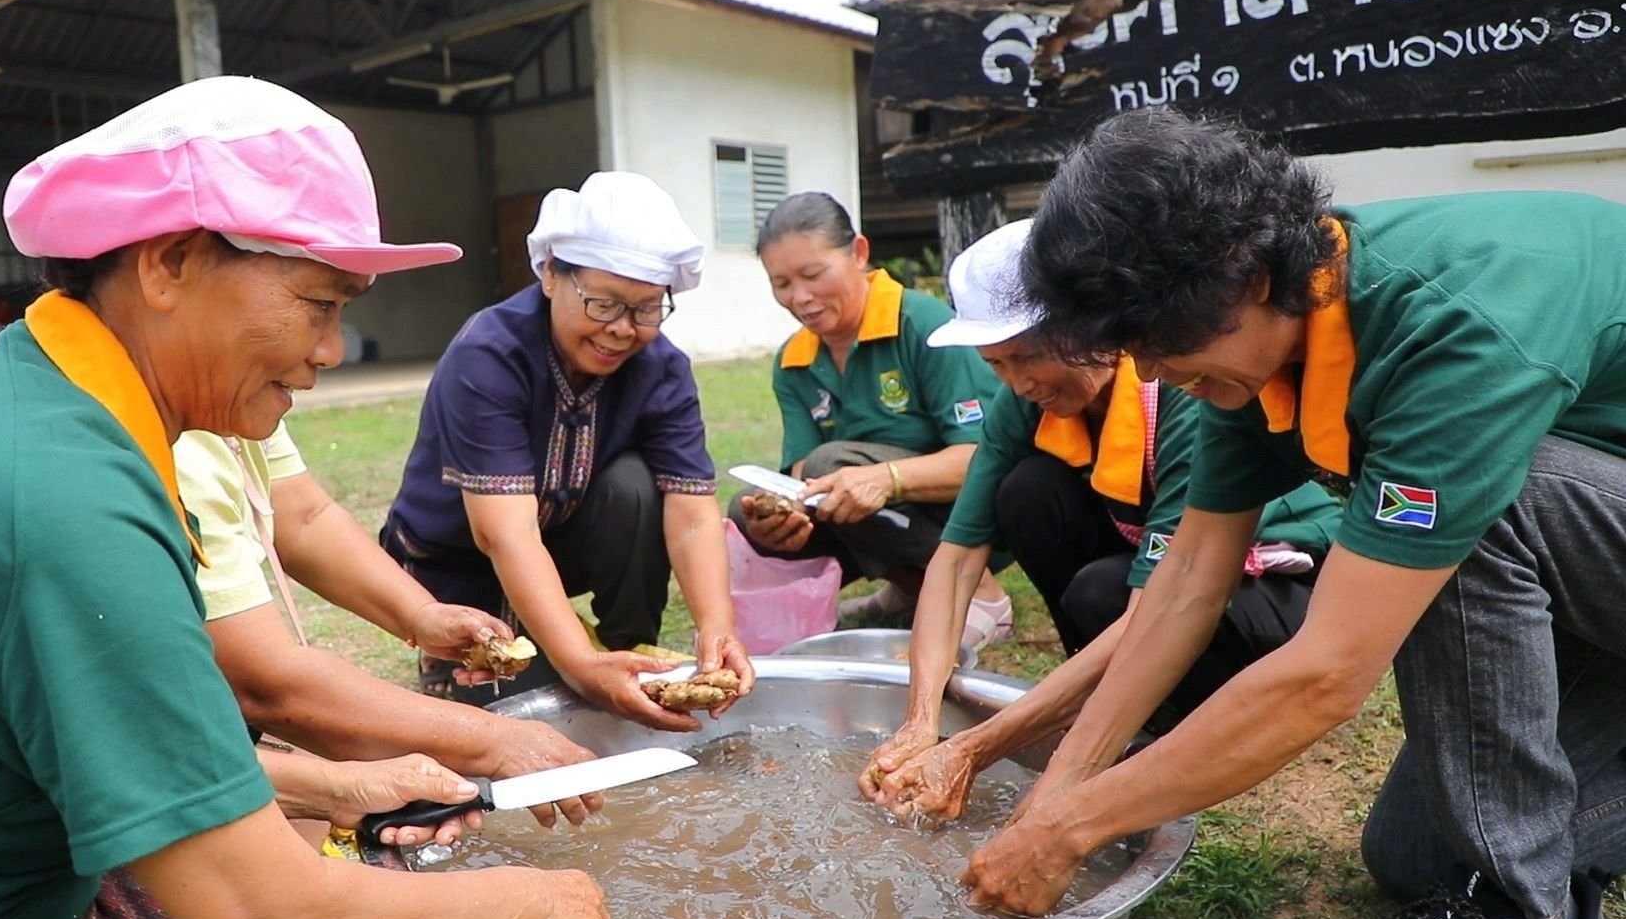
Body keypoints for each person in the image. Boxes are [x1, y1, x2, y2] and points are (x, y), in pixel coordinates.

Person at [0, 76, 617, 919]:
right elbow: (261, 914)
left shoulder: (67, 407)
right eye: (318, 302)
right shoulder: (62, 501)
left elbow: (96, 736)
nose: (335, 350)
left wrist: (335, 784)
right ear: (170, 264)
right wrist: (533, 896)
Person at [963, 107, 1626, 919]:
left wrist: (1071, 830)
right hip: (1604, 572)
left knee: (1491, 497)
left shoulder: (1453, 327)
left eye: (1164, 348)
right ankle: (1522, 865)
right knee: (1420, 858)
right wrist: (1059, 787)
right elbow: (1184, 583)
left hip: (1581, 527)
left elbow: (1327, 674)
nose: (1151, 377)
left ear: (1247, 275)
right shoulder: (1268, 341)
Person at [856, 218, 1339, 823]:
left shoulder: (1185, 397)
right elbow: (955, 561)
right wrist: (919, 721)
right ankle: (1098, 700)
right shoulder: (1022, 402)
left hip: (1279, 590)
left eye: (1029, 355)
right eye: (997, 364)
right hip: (1158, 571)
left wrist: (971, 749)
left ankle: (1182, 711)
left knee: (1103, 592)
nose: (1020, 382)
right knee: (1028, 492)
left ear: (1093, 329)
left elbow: (1159, 606)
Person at [381, 171, 754, 731]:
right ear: (552, 273)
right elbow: (503, 533)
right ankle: (483, 654)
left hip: (558, 537)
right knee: (523, 715)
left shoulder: (663, 368)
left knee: (634, 486)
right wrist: (579, 667)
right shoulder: (489, 354)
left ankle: (628, 646)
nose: (622, 330)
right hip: (457, 563)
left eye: (647, 308)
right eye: (604, 304)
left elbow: (693, 514)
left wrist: (716, 626)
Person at [175, 420, 605, 831]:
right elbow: (266, 685)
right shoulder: (183, 458)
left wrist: (421, 614)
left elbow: (304, 516)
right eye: (318, 337)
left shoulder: (236, 403)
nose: (332, 356)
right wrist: (494, 742)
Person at [731, 191, 1014, 646]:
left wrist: (887, 478)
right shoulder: (792, 361)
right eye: (781, 283)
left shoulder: (923, 324)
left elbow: (986, 459)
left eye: (812, 274)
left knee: (832, 468)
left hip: (971, 514)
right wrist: (784, 516)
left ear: (859, 253)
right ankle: (911, 590)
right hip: (880, 519)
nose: (800, 297)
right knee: (747, 508)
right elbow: (802, 471)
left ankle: (980, 595)